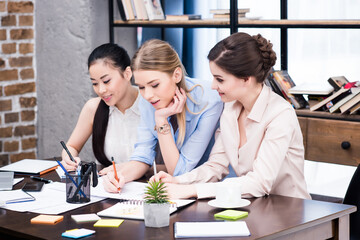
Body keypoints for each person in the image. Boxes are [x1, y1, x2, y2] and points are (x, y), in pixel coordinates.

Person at [152, 32, 311, 200]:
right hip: (255, 206)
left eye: (220, 79)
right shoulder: (230, 109)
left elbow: (259, 183)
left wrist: (192, 190)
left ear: (246, 79)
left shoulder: (280, 114)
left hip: (290, 210)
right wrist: (177, 181)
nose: (213, 86)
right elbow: (216, 166)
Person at [100, 39, 223, 192]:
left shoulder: (209, 100)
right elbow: (142, 156)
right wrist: (119, 177)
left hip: (213, 190)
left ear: (176, 75)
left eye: (155, 85)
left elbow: (180, 171)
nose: (148, 95)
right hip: (178, 192)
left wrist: (161, 120)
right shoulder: (147, 102)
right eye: (141, 87)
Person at [61, 43, 140, 171]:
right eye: (95, 83)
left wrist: (128, 169)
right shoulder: (93, 108)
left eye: (107, 81)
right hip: (107, 187)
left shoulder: (150, 104)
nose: (101, 90)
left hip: (151, 187)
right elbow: (72, 146)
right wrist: (69, 158)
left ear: (127, 73)